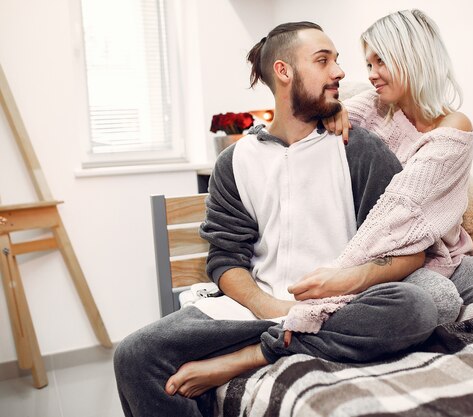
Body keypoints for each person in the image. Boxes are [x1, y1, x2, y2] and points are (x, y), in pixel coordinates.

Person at [114, 21, 438, 417]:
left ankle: (253, 355)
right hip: (254, 311)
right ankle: (277, 337)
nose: (340, 72)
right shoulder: (233, 162)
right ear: (284, 71)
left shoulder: (360, 150)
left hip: (339, 310)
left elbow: (409, 252)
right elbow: (224, 260)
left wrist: (341, 287)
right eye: (323, 61)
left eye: (337, 61)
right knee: (133, 356)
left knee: (416, 306)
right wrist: (267, 305)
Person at [322, 9, 473, 322]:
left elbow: (411, 203)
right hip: (385, 257)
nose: (372, 73)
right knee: (440, 302)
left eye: (381, 61)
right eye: (368, 64)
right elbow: (311, 128)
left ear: (412, 57)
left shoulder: (455, 127)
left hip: (444, 256)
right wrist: (329, 110)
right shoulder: (370, 106)